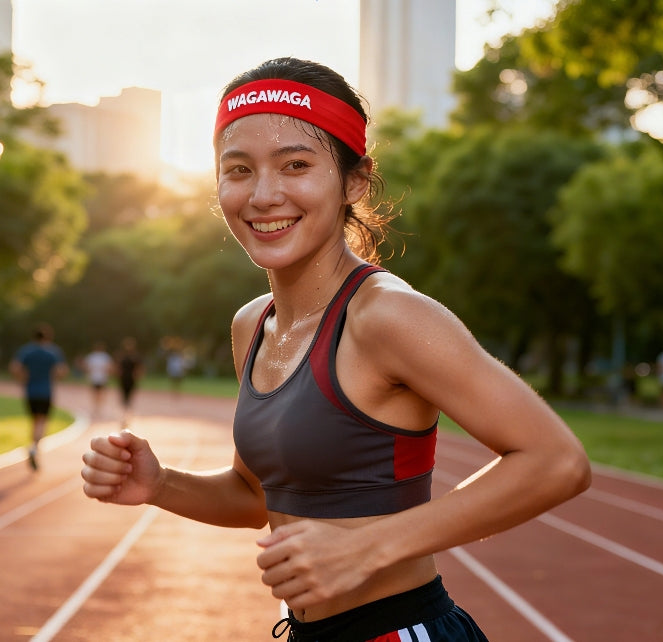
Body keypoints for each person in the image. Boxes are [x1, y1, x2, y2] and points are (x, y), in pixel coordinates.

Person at [81, 57, 591, 641]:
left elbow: (557, 461)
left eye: (295, 165)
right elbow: (258, 494)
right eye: (239, 169)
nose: (264, 194)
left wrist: (367, 547)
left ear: (354, 181)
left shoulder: (388, 317)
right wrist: (161, 485)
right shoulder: (253, 325)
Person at [9, 323, 68, 470]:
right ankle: (35, 448)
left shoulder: (26, 351)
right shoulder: (53, 352)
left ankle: (33, 447)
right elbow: (62, 371)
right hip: (46, 391)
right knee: (41, 421)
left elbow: (15, 367)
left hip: (30, 391)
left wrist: (23, 378)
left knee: (34, 420)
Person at [114, 337, 143, 426]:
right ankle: (124, 414)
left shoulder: (135, 357)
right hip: (123, 380)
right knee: (123, 398)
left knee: (129, 397)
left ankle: (128, 414)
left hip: (131, 380)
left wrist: (137, 376)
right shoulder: (121, 356)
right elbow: (118, 368)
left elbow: (139, 369)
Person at [82, 341, 113, 419]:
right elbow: (87, 367)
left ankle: (99, 407)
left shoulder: (104, 357)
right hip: (94, 378)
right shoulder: (92, 356)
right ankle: (96, 407)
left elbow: (109, 367)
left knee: (100, 393)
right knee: (95, 393)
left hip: (102, 378)